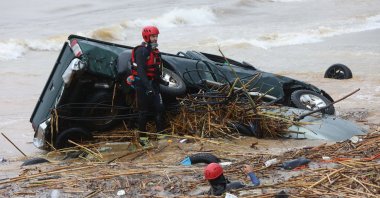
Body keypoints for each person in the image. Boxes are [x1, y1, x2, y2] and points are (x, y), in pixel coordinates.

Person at [128, 26, 169, 137]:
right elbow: (141, 71)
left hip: (153, 83)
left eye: (156, 36)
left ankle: (161, 134)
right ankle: (143, 138)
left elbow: (155, 71)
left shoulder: (154, 51)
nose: (155, 38)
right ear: (146, 37)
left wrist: (162, 81)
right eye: (153, 36)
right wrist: (148, 87)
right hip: (142, 84)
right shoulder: (141, 51)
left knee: (159, 108)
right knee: (143, 111)